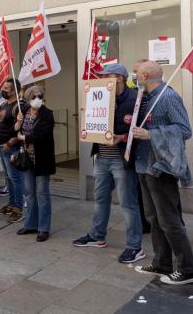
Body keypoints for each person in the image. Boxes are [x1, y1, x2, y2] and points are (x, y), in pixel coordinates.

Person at [132, 61, 193, 285]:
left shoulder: (168, 97)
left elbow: (184, 130)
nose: (134, 77)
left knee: (170, 220)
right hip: (144, 165)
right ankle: (162, 263)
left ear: (146, 74)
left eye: (136, 73)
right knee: (154, 219)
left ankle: (188, 270)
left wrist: (151, 135)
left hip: (161, 168)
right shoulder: (145, 98)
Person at [72, 64, 145, 263]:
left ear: (119, 78)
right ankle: (97, 235)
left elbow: (142, 131)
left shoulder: (136, 98)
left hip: (121, 159)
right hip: (102, 157)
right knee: (100, 199)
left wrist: (120, 137)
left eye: (106, 75)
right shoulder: (100, 94)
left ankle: (134, 246)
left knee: (128, 203)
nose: (102, 78)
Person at [13, 85, 55, 242]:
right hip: (27, 159)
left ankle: (44, 228)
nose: (37, 99)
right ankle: (30, 224)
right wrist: (18, 123)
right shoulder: (24, 112)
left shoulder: (47, 114)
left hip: (42, 159)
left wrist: (24, 138)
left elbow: (42, 135)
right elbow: (16, 129)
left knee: (42, 194)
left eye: (39, 96)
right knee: (29, 193)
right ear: (28, 98)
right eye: (34, 96)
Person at [0, 79, 24, 223]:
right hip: (2, 147)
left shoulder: (18, 106)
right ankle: (12, 204)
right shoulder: (4, 104)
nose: (3, 90)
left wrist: (10, 142)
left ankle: (18, 208)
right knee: (9, 178)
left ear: (14, 91)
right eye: (3, 87)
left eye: (7, 88)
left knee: (15, 178)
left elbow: (21, 129)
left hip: (10, 147)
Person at [131, 59, 152, 234]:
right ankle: (145, 224)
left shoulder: (160, 95)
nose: (134, 75)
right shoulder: (137, 93)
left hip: (154, 155)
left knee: (165, 198)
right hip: (138, 154)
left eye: (136, 71)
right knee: (140, 192)